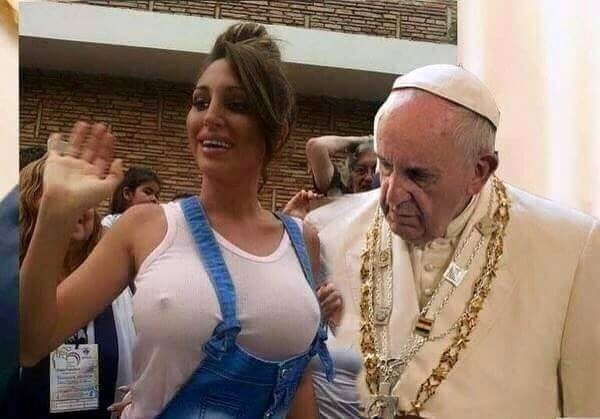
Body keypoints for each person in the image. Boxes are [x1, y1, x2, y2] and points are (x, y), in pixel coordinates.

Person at [20, 22, 339, 419]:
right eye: (200, 102)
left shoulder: (302, 241)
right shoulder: (145, 227)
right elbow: (32, 342)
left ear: (276, 130)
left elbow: (299, 382)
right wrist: (54, 216)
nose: (211, 117)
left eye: (237, 104)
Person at [306, 64, 600, 418]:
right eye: (386, 166)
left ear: (479, 171)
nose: (392, 195)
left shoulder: (572, 249)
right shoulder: (326, 231)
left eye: (418, 175)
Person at [13, 156, 123, 418]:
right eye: (60, 195)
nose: (77, 206)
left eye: (84, 197)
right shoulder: (9, 283)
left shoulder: (115, 285)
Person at [306, 134, 377, 195]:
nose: (369, 178)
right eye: (361, 170)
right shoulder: (338, 193)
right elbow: (316, 146)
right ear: (350, 175)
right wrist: (365, 140)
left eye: (376, 170)